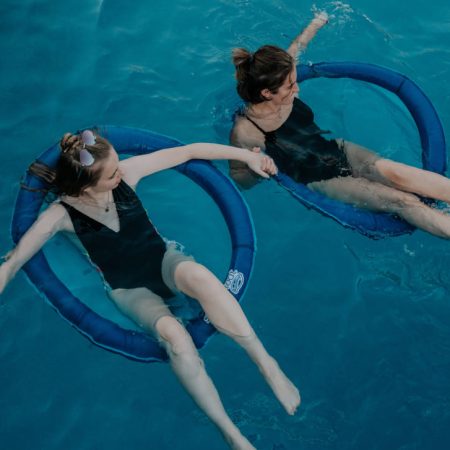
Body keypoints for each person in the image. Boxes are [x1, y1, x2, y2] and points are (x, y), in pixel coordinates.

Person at [0, 130, 296, 450]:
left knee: (200, 276)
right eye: (112, 173)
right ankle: (230, 431)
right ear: (87, 185)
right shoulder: (60, 215)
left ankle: (267, 364)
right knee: (175, 338)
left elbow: (189, 150)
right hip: (129, 289)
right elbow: (15, 261)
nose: (120, 172)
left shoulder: (128, 175)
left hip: (163, 260)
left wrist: (249, 157)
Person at [229, 12, 450, 239]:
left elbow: (298, 45)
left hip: (337, 149)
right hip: (317, 179)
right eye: (290, 86)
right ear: (267, 93)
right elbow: (239, 176)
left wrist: (317, 21)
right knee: (401, 201)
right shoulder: (245, 131)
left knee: (399, 174)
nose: (297, 88)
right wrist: (257, 168)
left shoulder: (280, 73)